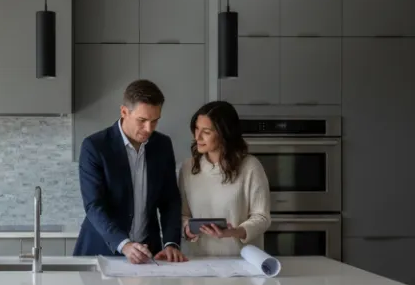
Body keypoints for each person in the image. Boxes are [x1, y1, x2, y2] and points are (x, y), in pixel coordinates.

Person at [72, 80, 188, 264]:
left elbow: (170, 200)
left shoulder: (162, 145)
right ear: (124, 112)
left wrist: (171, 242)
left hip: (149, 254)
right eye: (142, 121)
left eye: (155, 120)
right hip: (102, 252)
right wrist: (124, 244)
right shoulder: (95, 146)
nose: (149, 129)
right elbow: (94, 205)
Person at [179, 100, 271, 257]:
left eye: (206, 132)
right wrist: (187, 229)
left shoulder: (250, 167)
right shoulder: (188, 167)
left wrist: (234, 232)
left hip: (242, 261)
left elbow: (261, 217)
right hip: (199, 262)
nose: (198, 137)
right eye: (196, 129)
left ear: (224, 135)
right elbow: (183, 214)